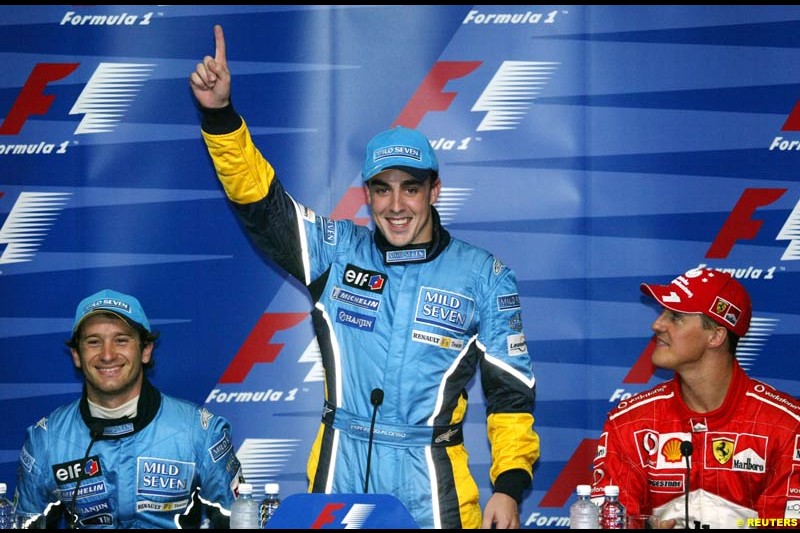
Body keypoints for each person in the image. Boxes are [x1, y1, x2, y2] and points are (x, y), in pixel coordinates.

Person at [189, 24, 539, 529]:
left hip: (431, 479)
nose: (396, 206)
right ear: (368, 195)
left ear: (434, 191)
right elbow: (261, 204)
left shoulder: (484, 276)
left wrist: (508, 486)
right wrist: (220, 117)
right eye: (382, 189)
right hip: (339, 468)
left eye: (410, 188)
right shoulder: (336, 250)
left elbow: (510, 395)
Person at [13, 289, 244, 529]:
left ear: (145, 350)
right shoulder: (46, 439)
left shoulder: (201, 432)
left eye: (121, 340)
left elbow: (240, 523)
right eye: (93, 342)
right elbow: (24, 524)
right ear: (76, 355)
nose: (107, 355)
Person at [591, 267, 800, 529]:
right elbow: (611, 521)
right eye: (662, 314)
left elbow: (787, 523)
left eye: (675, 317)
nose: (657, 324)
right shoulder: (630, 423)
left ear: (715, 336)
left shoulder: (786, 426)